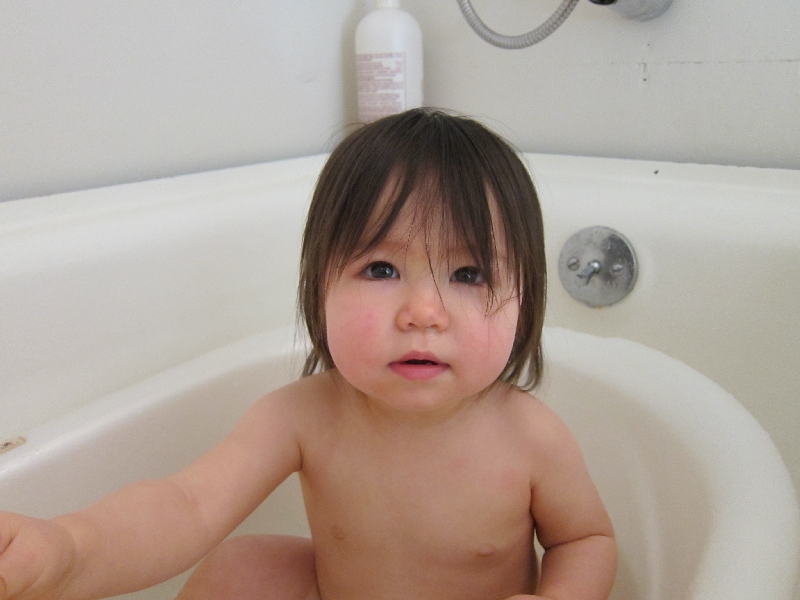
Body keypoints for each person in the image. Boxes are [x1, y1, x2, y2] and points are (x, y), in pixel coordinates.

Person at [0, 108, 616, 600]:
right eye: (381, 269)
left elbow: (585, 540)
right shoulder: (302, 416)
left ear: (526, 298)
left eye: (469, 274)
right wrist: (66, 549)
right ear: (318, 286)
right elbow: (187, 506)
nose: (424, 312)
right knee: (245, 568)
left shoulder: (529, 436)